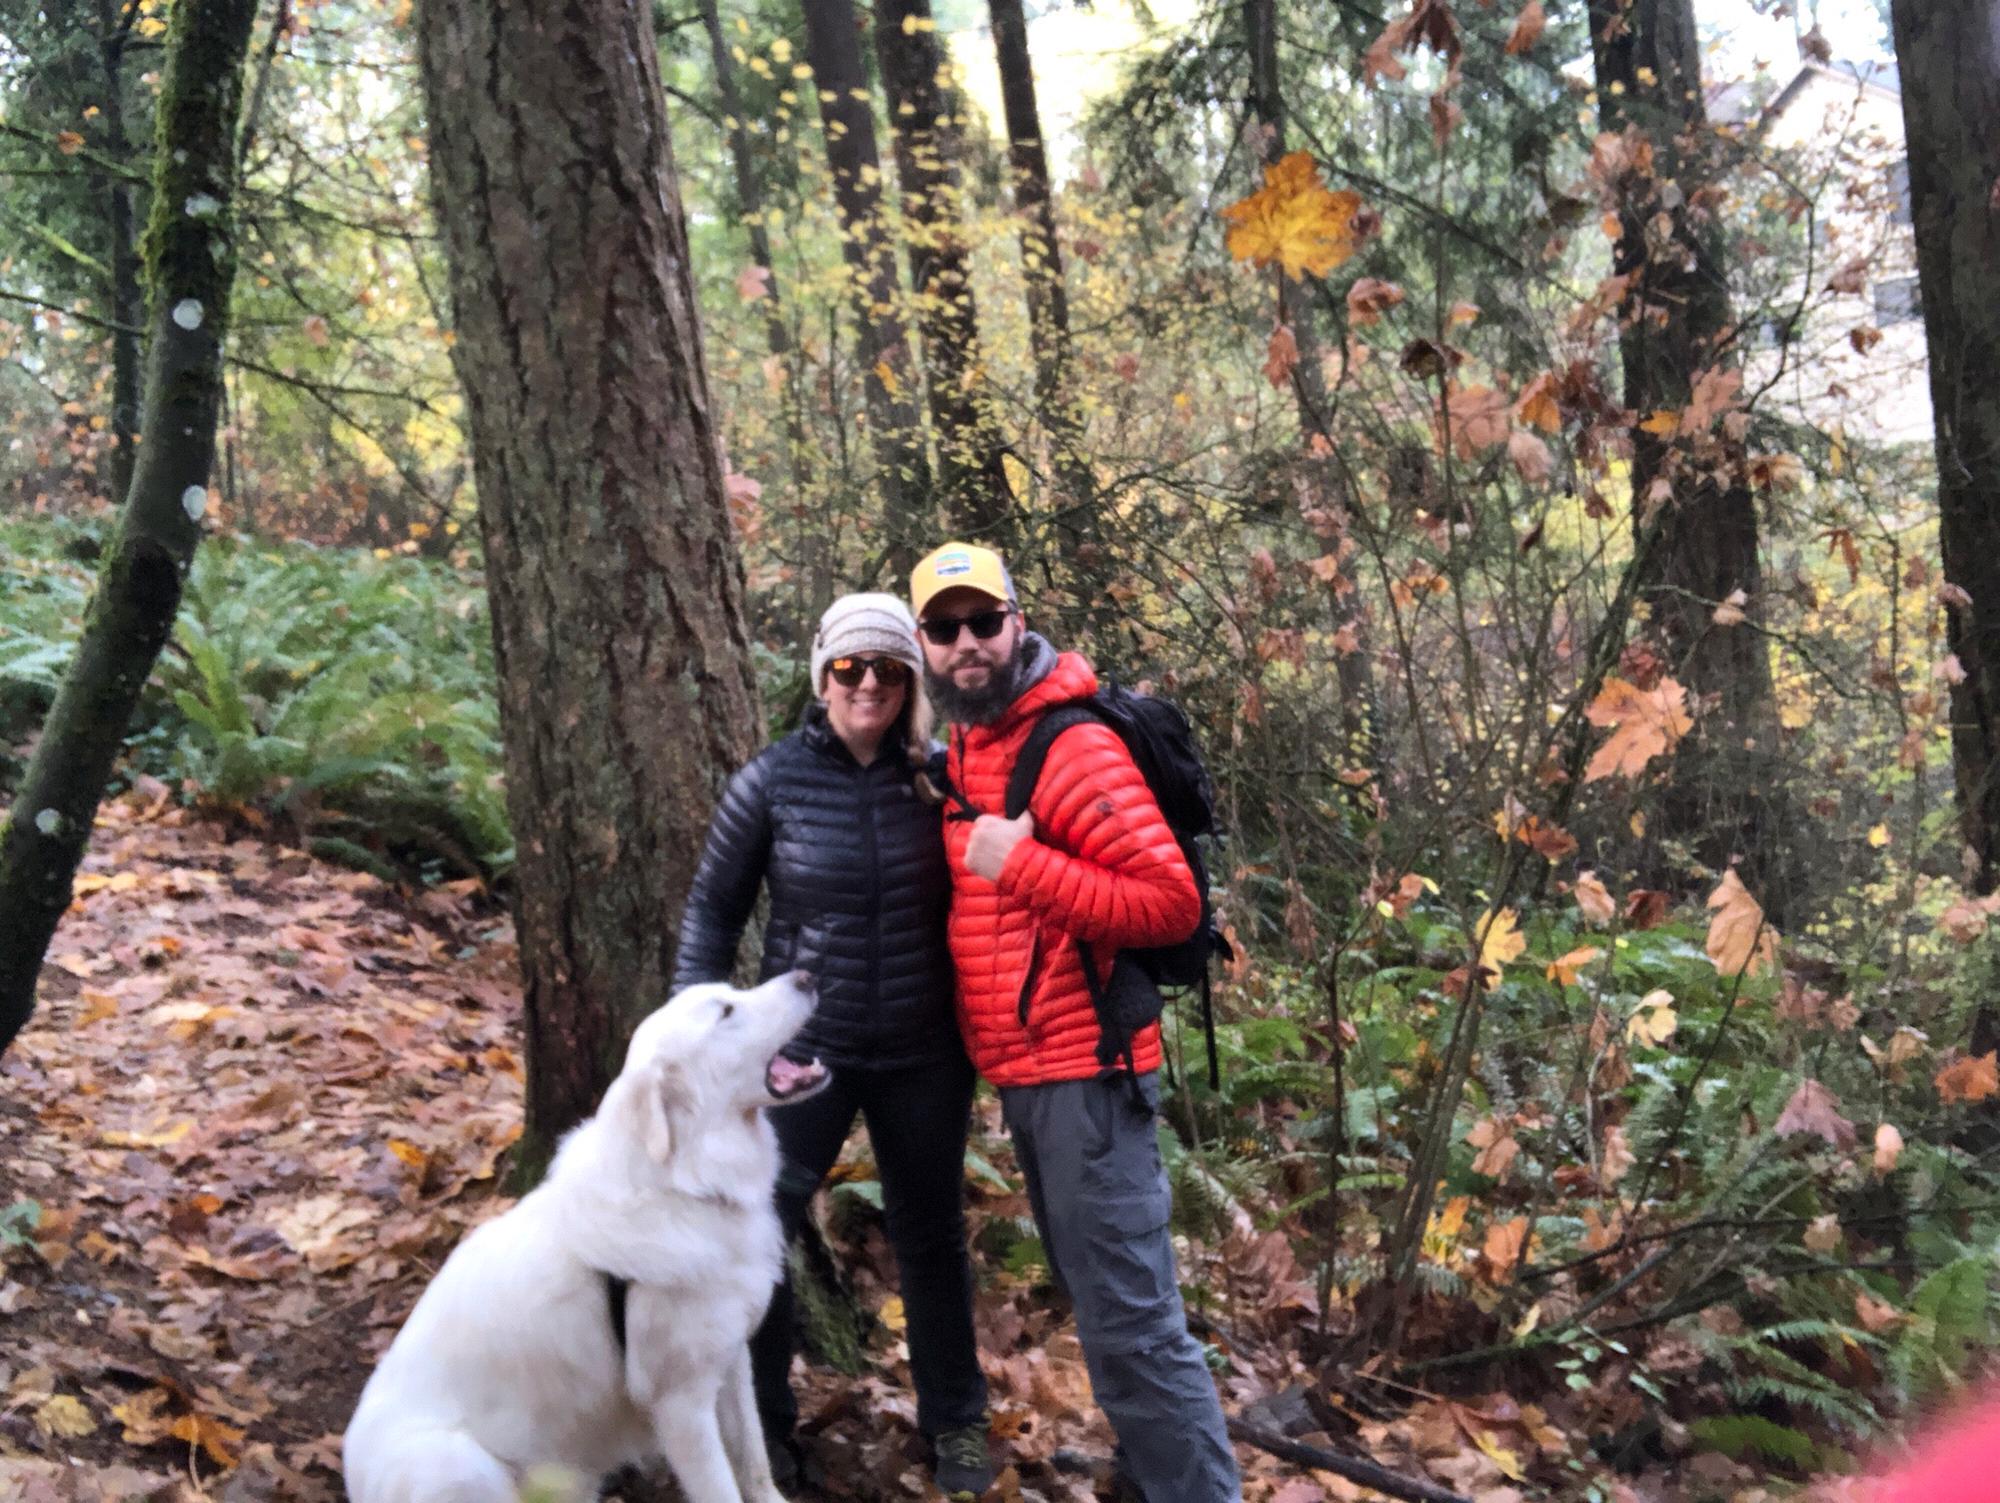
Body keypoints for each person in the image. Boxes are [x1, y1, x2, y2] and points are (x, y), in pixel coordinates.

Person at [910, 542, 1242, 1503]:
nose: (967, 643)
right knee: (1111, 1314)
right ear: (925, 646)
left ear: (1019, 622)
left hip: (1086, 1076)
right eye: (944, 627)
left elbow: (1171, 904)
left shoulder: (1069, 743)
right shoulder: (975, 744)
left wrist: (1021, 866)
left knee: (1136, 1330)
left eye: (983, 621)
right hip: (1035, 1077)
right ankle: (1152, 1479)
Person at [673, 593, 994, 1498]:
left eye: (889, 669)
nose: (869, 685)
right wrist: (698, 1035)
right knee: (761, 1230)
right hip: (799, 1057)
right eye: (850, 667)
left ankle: (958, 1427)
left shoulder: (940, 779)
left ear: (911, 681)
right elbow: (711, 915)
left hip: (925, 1050)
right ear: (823, 676)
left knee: (930, 1237)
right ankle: (765, 1432)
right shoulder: (769, 783)